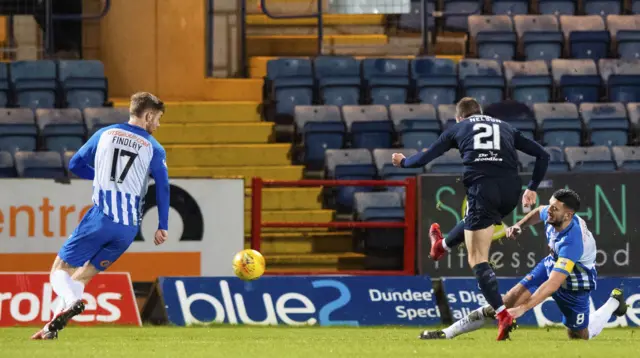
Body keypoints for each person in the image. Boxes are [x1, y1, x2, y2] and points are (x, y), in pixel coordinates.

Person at [392, 97, 550, 340]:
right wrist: (532, 188)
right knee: (477, 218)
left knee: (477, 259)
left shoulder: (458, 128)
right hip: (511, 192)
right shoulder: (505, 127)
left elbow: (424, 158)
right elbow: (543, 155)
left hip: (482, 188)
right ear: (481, 112)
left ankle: (502, 315)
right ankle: (441, 245)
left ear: (459, 117)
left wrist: (403, 162)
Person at [31, 92, 170, 340]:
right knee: (81, 277)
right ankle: (50, 328)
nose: (158, 125)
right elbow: (163, 186)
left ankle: (72, 301)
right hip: (128, 229)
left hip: (101, 218)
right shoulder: (154, 148)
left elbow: (74, 164)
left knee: (59, 270)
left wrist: (99, 176)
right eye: (157, 119)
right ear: (148, 115)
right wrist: (162, 225)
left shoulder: (105, 134)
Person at [420, 189, 628, 341]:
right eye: (551, 205)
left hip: (575, 283)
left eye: (554, 209)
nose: (549, 211)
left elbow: (552, 285)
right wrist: (520, 226)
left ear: (568, 215)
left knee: (578, 335)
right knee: (503, 303)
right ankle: (447, 333)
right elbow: (539, 211)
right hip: (550, 265)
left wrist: (524, 309)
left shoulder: (572, 242)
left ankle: (613, 303)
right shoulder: (554, 213)